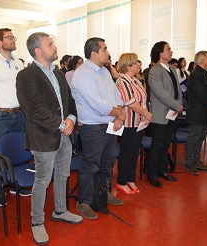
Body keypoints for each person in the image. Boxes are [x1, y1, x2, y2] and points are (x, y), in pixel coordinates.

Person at [16, 32, 82, 245]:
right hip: (44, 135)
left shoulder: (59, 73)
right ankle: (37, 222)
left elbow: (69, 100)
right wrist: (63, 124)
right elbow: (33, 110)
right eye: (50, 44)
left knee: (63, 175)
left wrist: (71, 117)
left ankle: (60, 210)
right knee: (42, 181)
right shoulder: (26, 75)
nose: (55, 47)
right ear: (38, 50)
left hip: (65, 132)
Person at [71, 37, 126, 220]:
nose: (108, 52)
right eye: (105, 49)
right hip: (92, 127)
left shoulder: (103, 71)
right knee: (90, 165)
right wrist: (119, 114)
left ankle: (104, 194)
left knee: (108, 161)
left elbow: (116, 94)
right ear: (94, 53)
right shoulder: (83, 73)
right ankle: (84, 202)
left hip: (109, 124)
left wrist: (119, 114)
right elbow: (97, 105)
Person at [145, 41, 182, 188]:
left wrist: (178, 105)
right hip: (160, 114)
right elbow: (160, 93)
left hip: (172, 113)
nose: (171, 52)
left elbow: (177, 90)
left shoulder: (172, 69)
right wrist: (176, 105)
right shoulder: (155, 71)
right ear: (160, 52)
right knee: (157, 145)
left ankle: (162, 170)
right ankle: (152, 174)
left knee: (166, 143)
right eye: (168, 49)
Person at [115, 53, 151, 194]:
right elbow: (130, 103)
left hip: (139, 122)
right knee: (126, 153)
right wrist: (146, 113)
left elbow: (143, 100)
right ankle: (121, 181)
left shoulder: (136, 80)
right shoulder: (122, 81)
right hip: (128, 123)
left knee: (135, 152)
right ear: (128, 66)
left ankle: (130, 179)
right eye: (136, 63)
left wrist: (146, 115)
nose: (139, 65)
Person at [185, 51, 207, 175]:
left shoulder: (203, 73)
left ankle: (196, 160)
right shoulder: (195, 74)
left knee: (201, 138)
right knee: (193, 138)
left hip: (205, 112)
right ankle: (189, 163)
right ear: (202, 60)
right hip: (197, 113)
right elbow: (201, 94)